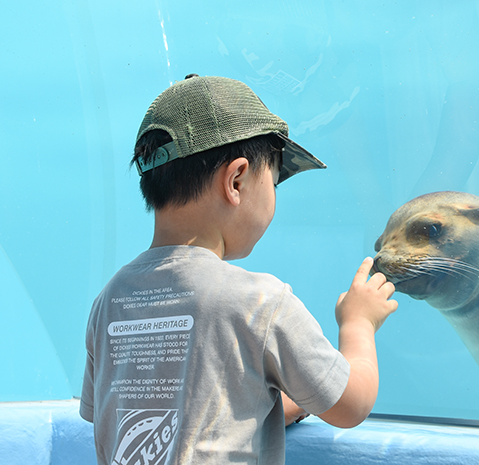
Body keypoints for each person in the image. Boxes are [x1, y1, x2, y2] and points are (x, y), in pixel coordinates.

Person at [79, 74, 398, 465]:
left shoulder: (110, 301)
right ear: (237, 180)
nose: (274, 197)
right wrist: (358, 323)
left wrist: (285, 403)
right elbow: (351, 404)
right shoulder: (260, 303)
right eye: (275, 182)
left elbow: (166, 416)